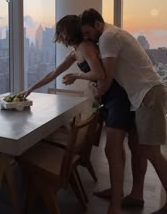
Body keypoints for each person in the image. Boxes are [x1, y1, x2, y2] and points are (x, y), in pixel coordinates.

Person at [21, 15, 138, 209]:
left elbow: (99, 74)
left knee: (112, 150)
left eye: (61, 32)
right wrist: (30, 88)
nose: (60, 37)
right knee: (116, 150)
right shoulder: (77, 51)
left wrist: (76, 75)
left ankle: (115, 205)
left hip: (117, 98)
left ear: (66, 32)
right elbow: (53, 73)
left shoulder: (86, 47)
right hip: (109, 98)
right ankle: (116, 192)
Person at [80, 8, 167, 214]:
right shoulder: (113, 34)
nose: (86, 38)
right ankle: (137, 196)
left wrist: (98, 94)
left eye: (88, 33)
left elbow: (107, 77)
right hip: (142, 96)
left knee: (151, 151)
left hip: (148, 94)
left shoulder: (108, 37)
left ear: (97, 25)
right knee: (139, 150)